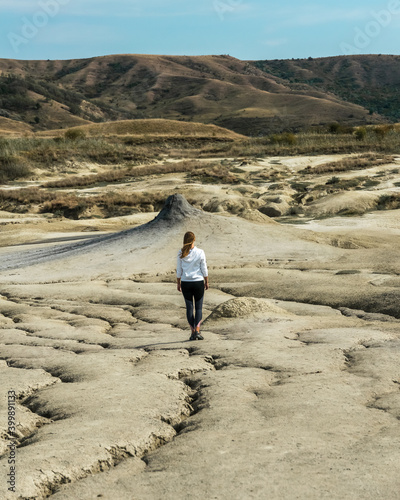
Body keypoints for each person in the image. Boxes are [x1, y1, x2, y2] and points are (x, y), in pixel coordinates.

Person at [176, 231, 209, 341]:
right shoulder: (200, 252)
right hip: (198, 282)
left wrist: (178, 283)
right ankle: (198, 331)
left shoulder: (181, 253)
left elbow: (179, 270)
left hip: (186, 283)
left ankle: (193, 332)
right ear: (194, 240)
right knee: (198, 308)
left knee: (189, 308)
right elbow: (204, 268)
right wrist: (206, 281)